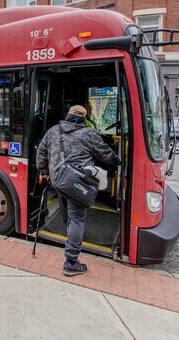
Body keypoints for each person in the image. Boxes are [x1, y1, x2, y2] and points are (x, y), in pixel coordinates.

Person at [36, 104, 120, 276]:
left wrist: (45, 172)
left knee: (69, 215)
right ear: (83, 117)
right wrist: (119, 160)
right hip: (78, 184)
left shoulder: (53, 131)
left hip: (59, 181)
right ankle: (71, 262)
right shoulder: (89, 133)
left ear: (68, 115)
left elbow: (41, 154)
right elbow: (107, 156)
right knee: (77, 219)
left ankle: (71, 239)